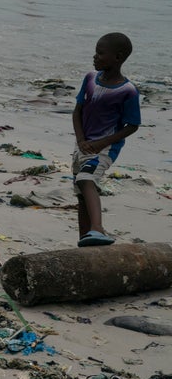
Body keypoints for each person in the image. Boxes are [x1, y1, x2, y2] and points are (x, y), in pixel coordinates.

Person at [71, 33, 141, 247]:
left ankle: (98, 228)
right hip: (82, 145)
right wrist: (81, 140)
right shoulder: (91, 78)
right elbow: (77, 111)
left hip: (104, 148)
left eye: (100, 53)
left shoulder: (128, 91)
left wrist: (102, 143)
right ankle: (86, 239)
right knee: (81, 194)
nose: (95, 57)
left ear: (118, 57)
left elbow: (132, 125)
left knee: (87, 179)